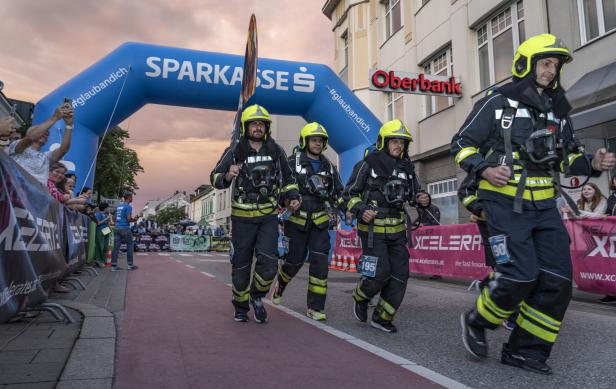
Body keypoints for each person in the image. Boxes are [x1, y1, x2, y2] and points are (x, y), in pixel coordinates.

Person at [451, 33, 615, 374]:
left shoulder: (559, 109)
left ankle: (525, 351)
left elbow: (569, 160)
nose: (551, 71)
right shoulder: (497, 102)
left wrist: (593, 164)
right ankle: (478, 321)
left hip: (545, 208)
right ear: (526, 65)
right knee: (520, 276)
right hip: (504, 205)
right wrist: (484, 168)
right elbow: (462, 143)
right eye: (545, 63)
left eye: (555, 65)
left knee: (557, 281)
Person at [210, 104, 300, 323]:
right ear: (246, 127)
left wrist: (293, 196)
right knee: (241, 265)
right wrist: (228, 175)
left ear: (266, 127)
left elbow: (289, 180)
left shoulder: (276, 151)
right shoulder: (235, 150)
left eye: (261, 124)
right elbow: (214, 178)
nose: (258, 128)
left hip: (267, 217)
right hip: (242, 219)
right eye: (254, 124)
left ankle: (257, 297)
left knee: (269, 264)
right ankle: (240, 307)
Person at [343, 119, 427, 333]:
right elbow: (347, 196)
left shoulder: (407, 168)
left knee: (400, 275)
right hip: (372, 232)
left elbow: (415, 194)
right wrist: (361, 209)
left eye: (403, 142)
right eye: (395, 141)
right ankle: (361, 297)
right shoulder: (367, 164)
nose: (399, 146)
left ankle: (382, 317)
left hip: (398, 231)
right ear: (384, 142)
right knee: (380, 274)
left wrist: (423, 198)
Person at [270, 122, 344, 321]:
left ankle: (315, 307)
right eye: (314, 140)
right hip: (296, 222)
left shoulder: (328, 165)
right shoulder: (292, 162)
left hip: (320, 223)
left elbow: (339, 191)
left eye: (320, 140)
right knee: (294, 262)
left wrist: (347, 208)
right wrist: (287, 200)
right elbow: (280, 187)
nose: (317, 144)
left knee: (320, 264)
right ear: (305, 141)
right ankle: (280, 285)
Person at [9, 103, 74, 186]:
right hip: (15, 193)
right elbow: (31, 137)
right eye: (42, 131)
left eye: (47, 134)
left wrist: (69, 125)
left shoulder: (46, 157)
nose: (45, 132)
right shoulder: (16, 146)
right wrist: (55, 117)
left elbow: (63, 149)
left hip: (34, 197)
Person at [111, 192, 139, 271]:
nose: (132, 199)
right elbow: (129, 218)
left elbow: (113, 218)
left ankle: (114, 266)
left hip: (117, 228)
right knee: (130, 245)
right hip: (125, 228)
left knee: (116, 247)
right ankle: (130, 265)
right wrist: (134, 219)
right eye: (131, 197)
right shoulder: (128, 206)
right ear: (129, 197)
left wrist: (117, 223)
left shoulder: (119, 206)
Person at [94, 202, 112, 267]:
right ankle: (99, 260)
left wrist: (109, 221)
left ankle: (103, 260)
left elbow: (109, 223)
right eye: (108, 207)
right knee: (100, 246)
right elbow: (98, 223)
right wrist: (106, 219)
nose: (109, 209)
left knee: (105, 246)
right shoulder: (98, 214)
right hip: (100, 230)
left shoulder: (106, 214)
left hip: (106, 230)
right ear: (105, 208)